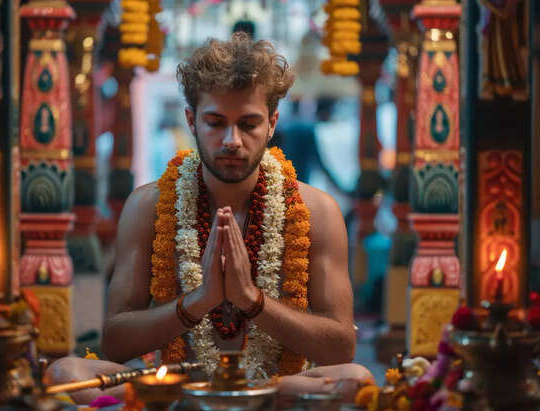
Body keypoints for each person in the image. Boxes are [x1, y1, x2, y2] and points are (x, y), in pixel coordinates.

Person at [46, 32, 372, 404]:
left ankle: (242, 396)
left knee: (356, 380)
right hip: (181, 385)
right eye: (216, 122)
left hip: (274, 387)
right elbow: (116, 342)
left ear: (272, 123)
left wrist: (253, 301)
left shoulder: (316, 211)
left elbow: (341, 348)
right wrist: (198, 301)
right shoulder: (148, 206)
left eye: (248, 124)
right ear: (191, 120)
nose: (232, 140)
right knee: (65, 374)